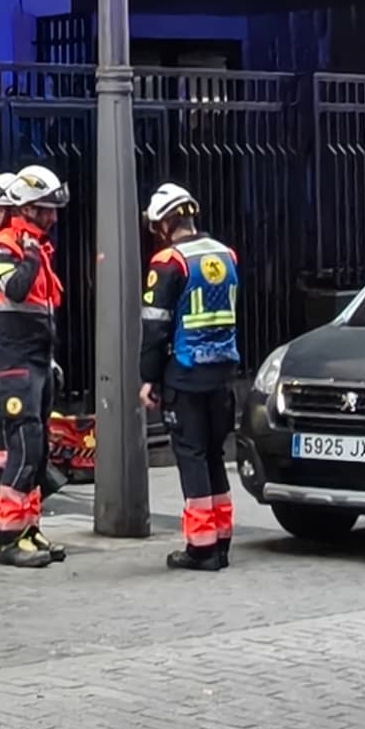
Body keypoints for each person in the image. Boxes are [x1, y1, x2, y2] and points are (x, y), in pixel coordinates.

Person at [140, 184, 250, 571]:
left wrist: (148, 378)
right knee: (216, 455)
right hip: (223, 374)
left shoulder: (169, 262)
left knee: (191, 455)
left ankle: (201, 548)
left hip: (185, 375)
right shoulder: (226, 255)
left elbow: (155, 328)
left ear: (166, 223)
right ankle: (221, 540)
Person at [0, 167, 68, 563]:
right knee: (23, 446)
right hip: (13, 363)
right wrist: (29, 252)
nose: (54, 218)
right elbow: (14, 288)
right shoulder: (2, 246)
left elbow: (43, 311)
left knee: (38, 448)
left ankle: (29, 528)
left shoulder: (37, 247)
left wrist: (49, 360)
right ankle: (9, 537)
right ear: (27, 208)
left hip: (36, 361)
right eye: (47, 210)